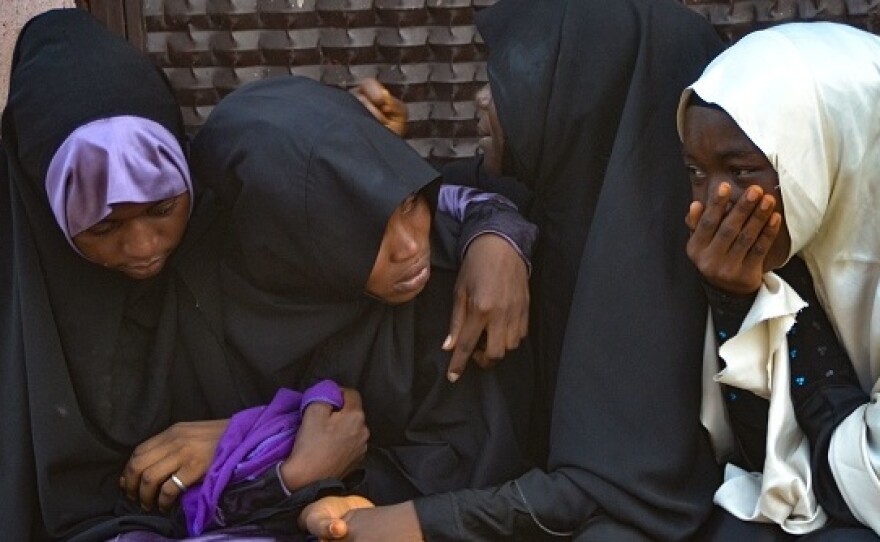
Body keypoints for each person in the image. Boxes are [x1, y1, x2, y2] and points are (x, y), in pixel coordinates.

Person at [302, 0, 726, 540]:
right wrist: (492, 230)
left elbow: (615, 489)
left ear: (579, 99)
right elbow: (449, 197)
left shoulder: (664, 266)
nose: (482, 99)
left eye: (514, 78)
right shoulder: (541, 195)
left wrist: (418, 523)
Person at [0, 9, 373, 541]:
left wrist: (236, 436)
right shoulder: (18, 292)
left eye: (161, 209)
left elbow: (349, 406)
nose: (145, 248)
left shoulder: (230, 243)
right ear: (46, 207)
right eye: (104, 226)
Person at [120, 73, 540, 536]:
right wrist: (286, 459)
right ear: (281, 244)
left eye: (406, 203)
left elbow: (474, 480)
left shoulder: (454, 281)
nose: (409, 248)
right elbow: (163, 494)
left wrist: (255, 443)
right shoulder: (194, 306)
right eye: (364, 234)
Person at [679, 22, 880, 541]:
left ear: (826, 149)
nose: (714, 202)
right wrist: (733, 300)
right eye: (696, 172)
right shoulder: (793, 232)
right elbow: (760, 457)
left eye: (742, 170)